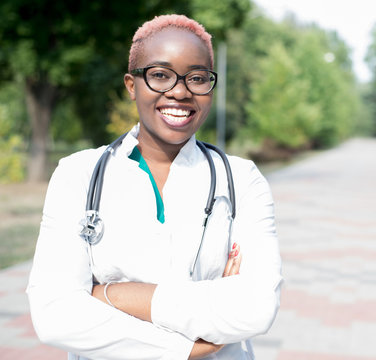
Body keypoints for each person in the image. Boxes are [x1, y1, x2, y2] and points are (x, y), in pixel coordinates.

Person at [27, 14, 282, 360]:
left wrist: (111, 295)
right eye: (160, 75)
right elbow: (55, 315)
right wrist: (184, 347)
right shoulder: (78, 175)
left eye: (197, 78)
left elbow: (256, 307)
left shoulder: (241, 179)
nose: (180, 91)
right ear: (132, 85)